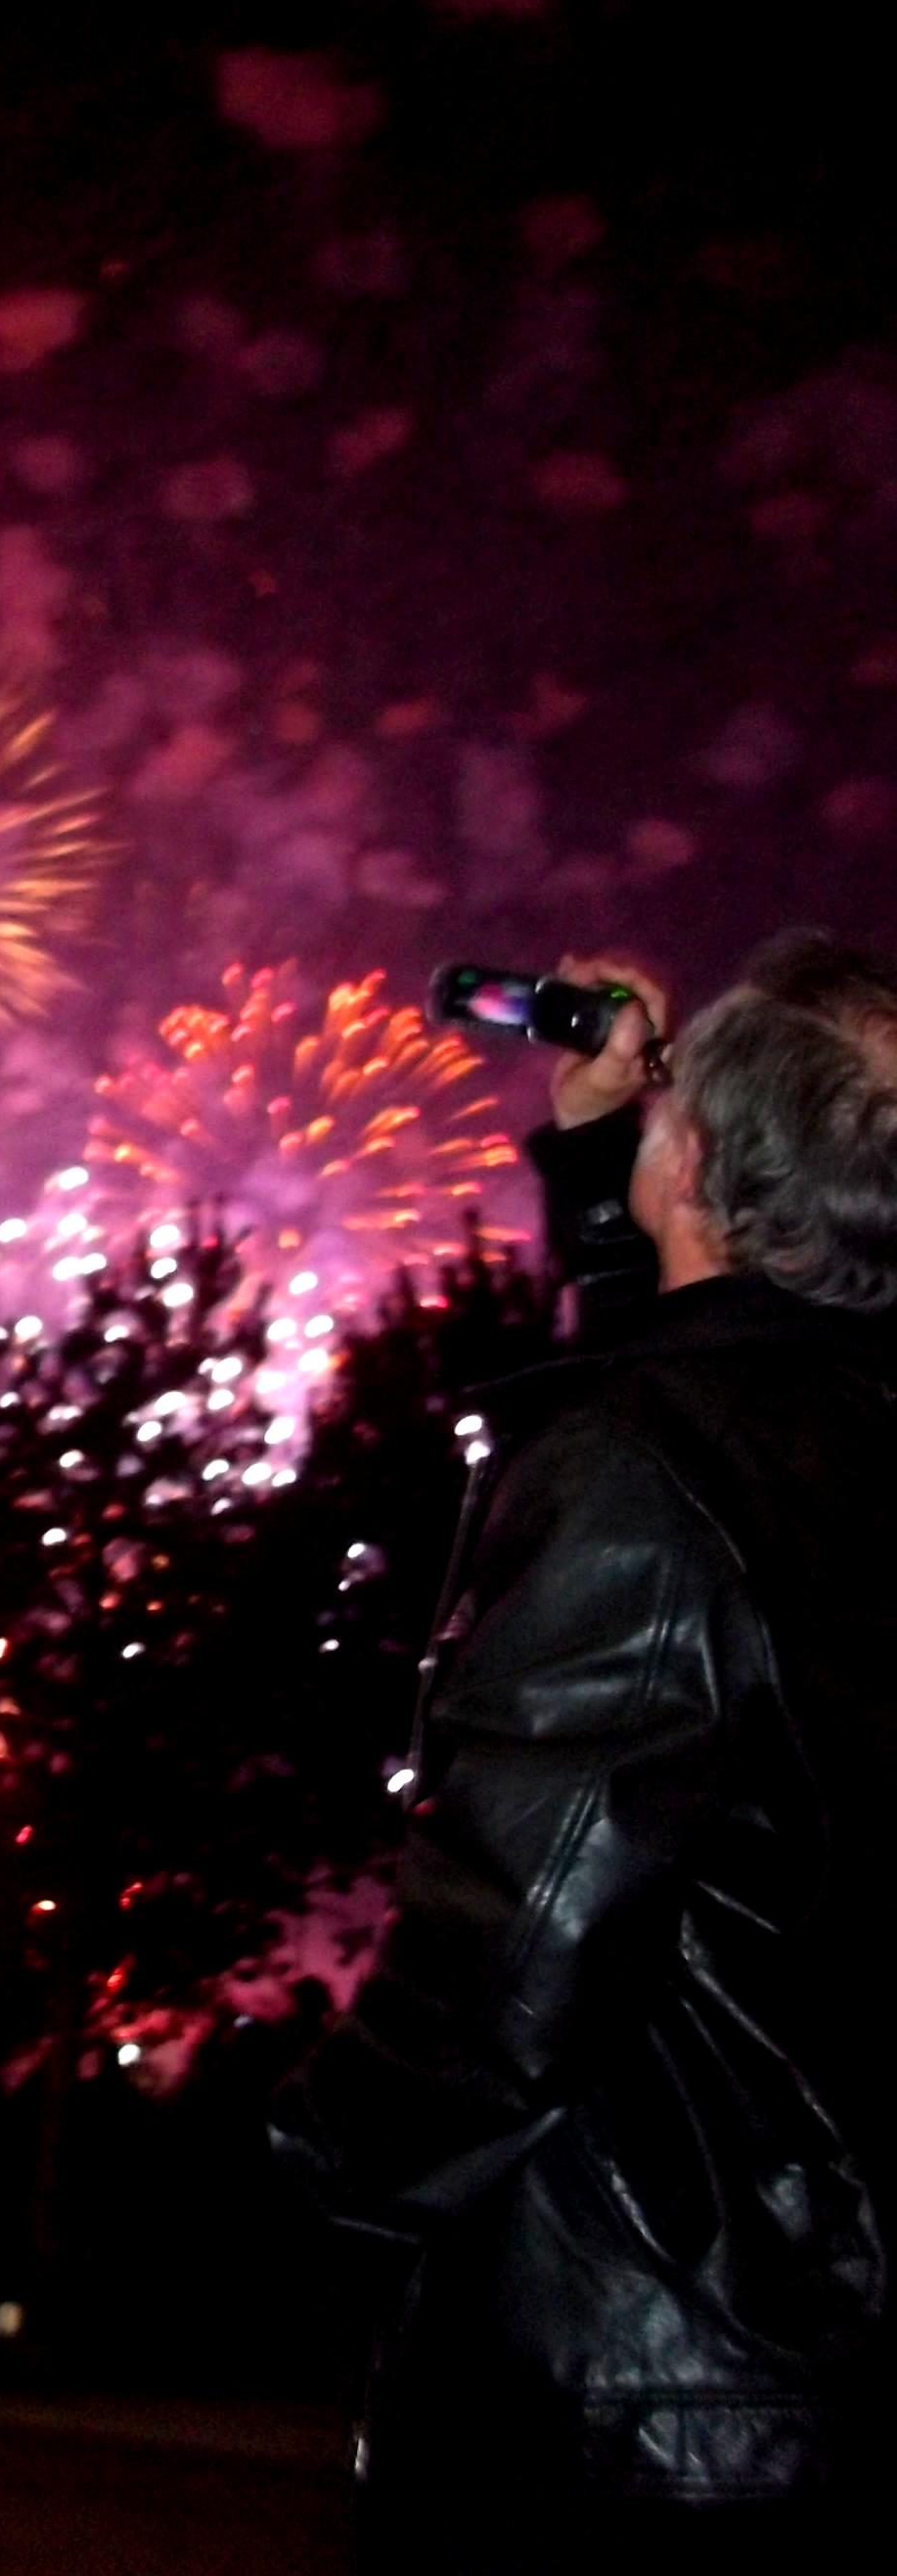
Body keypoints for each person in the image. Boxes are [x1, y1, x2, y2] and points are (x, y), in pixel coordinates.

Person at [274, 934, 897, 2570]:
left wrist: (320, 2163)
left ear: (690, 1153)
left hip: (639, 2391)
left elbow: (518, 1955)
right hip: (817, 2357)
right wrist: (616, 1204)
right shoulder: (845, 1445)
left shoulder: (640, 1477)